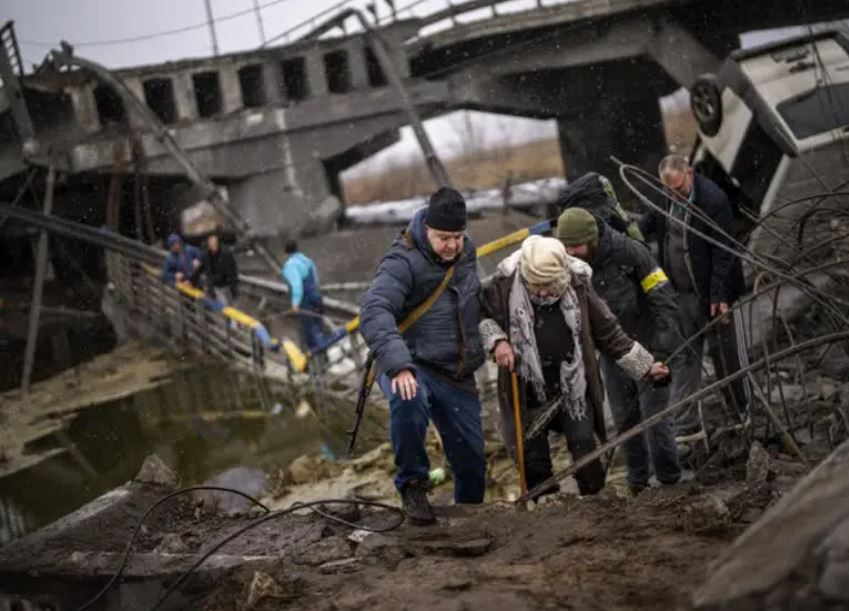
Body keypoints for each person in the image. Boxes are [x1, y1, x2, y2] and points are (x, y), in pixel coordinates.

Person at [479, 235, 669, 499]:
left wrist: (646, 366)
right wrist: (497, 340)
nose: (543, 292)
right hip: (526, 386)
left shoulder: (578, 285)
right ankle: (544, 508)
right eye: (536, 286)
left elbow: (609, 332)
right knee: (531, 456)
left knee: (584, 446)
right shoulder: (502, 285)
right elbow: (480, 316)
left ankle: (596, 502)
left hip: (573, 386)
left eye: (549, 284)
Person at [360, 187, 486, 525]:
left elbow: (475, 301)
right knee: (409, 397)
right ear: (426, 228)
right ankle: (413, 485)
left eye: (458, 237)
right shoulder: (401, 261)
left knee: (472, 461)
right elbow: (373, 311)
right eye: (444, 237)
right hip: (410, 362)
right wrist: (399, 366)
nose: (452, 245)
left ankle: (469, 515)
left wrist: (497, 337)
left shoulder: (466, 253)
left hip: (455, 370)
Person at [556, 207, 684, 493]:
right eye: (566, 247)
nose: (571, 253)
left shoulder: (632, 254)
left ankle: (670, 482)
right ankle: (637, 484)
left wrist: (661, 354)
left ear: (591, 239)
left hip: (649, 348)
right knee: (626, 423)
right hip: (613, 356)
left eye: (575, 246)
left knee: (655, 422)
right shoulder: (571, 265)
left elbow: (664, 301)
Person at [639, 154, 749, 436]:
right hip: (681, 295)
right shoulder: (666, 197)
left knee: (726, 358)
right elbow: (648, 224)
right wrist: (627, 232)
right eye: (668, 190)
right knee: (685, 360)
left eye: (678, 188)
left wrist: (719, 296)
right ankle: (686, 426)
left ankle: (742, 414)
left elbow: (723, 252)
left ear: (688, 173)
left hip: (711, 294)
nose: (674, 195)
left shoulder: (713, 201)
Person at [281, 240, 327, 353]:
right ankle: (325, 357)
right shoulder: (307, 260)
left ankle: (317, 363)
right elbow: (316, 280)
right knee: (319, 329)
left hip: (305, 300)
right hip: (316, 297)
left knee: (309, 331)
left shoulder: (290, 265)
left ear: (285, 252)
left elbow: (297, 285)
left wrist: (295, 303)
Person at [196, 231, 239, 306]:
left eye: (214, 243)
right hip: (216, 286)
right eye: (211, 244)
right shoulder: (207, 255)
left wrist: (210, 282)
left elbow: (227, 272)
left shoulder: (225, 253)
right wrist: (191, 280)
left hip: (225, 285)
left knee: (227, 307)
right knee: (222, 307)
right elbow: (200, 269)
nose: (213, 246)